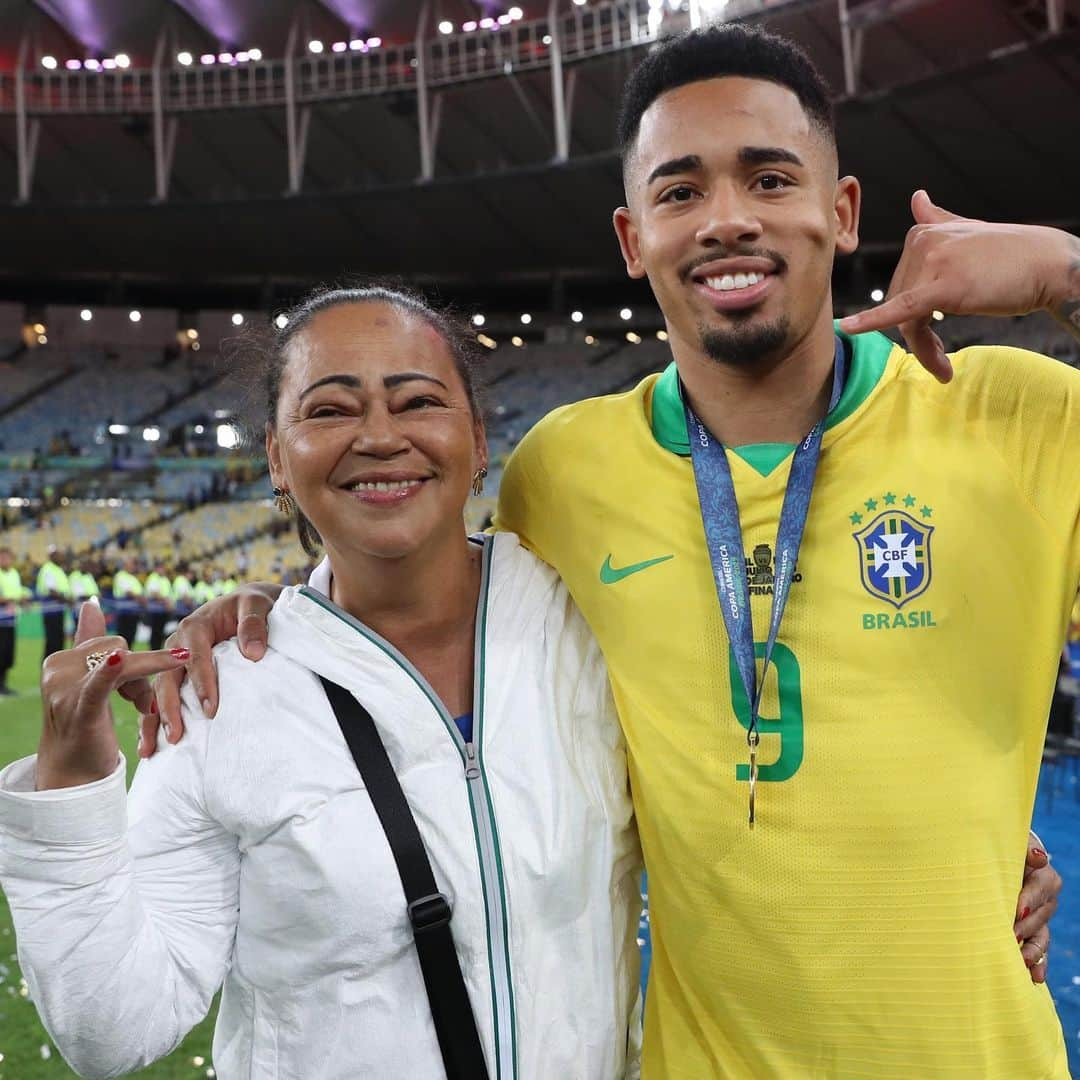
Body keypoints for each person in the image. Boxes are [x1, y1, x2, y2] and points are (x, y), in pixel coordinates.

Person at [154, 25, 1076, 1079]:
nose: (727, 218)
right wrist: (266, 610)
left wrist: (1067, 272)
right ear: (635, 239)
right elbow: (421, 591)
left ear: (843, 210)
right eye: (681, 192)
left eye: (770, 178)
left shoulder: (1021, 417)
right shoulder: (565, 473)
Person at [0, 286, 643, 1079]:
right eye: (330, 410)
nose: (379, 435)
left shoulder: (598, 626)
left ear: (478, 440)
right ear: (276, 455)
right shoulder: (218, 693)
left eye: (417, 401)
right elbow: (114, 1028)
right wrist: (68, 784)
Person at [35, 545, 69, 660]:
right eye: (57, 554)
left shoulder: (58, 569)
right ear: (51, 556)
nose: (61, 556)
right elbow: (52, 591)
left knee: (58, 641)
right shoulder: (48, 569)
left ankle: (55, 670)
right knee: (53, 642)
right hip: (51, 611)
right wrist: (67, 600)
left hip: (58, 609)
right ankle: (48, 670)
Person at [0, 547, 23, 696]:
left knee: (8, 654)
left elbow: (18, 592)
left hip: (11, 619)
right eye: (2, 557)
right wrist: (11, 599)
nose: (5, 560)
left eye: (7, 557)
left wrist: (22, 598)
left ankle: (3, 684)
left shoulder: (14, 573)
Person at [111, 555, 144, 647]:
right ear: (125, 565)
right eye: (132, 564)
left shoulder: (132, 577)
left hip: (133, 612)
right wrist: (141, 599)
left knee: (131, 637)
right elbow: (128, 592)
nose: (134, 566)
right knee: (123, 637)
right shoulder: (121, 576)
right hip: (124, 613)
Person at [143, 559, 173, 651]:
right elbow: (154, 593)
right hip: (155, 610)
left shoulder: (164, 579)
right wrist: (166, 601)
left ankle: (157, 649)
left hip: (163, 610)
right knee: (155, 632)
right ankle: (153, 650)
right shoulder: (153, 577)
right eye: (161, 567)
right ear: (157, 568)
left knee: (160, 632)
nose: (163, 570)